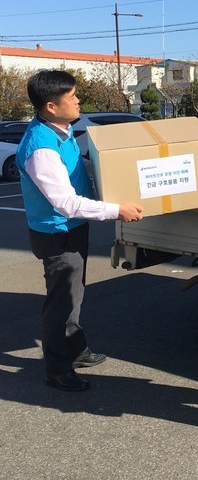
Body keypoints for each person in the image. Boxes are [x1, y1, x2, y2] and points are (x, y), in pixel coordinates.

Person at [16, 70, 143, 392]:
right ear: (51, 106)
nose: (78, 101)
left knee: (74, 294)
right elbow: (66, 203)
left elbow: (78, 169)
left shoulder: (61, 130)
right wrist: (117, 210)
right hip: (56, 233)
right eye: (71, 97)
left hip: (72, 229)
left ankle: (76, 349)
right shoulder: (41, 148)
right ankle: (58, 370)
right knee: (61, 303)